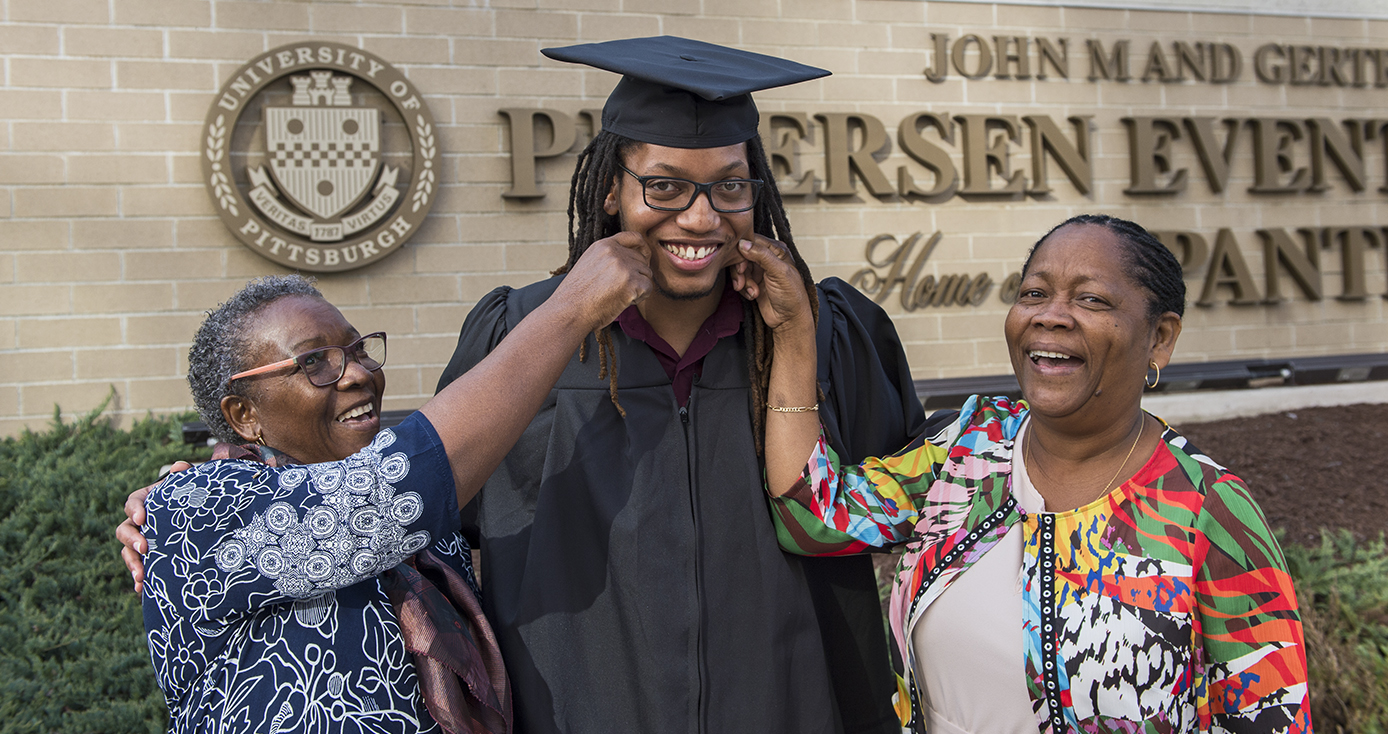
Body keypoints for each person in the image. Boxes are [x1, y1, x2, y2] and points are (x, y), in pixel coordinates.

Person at [435, 37, 922, 733]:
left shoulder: (828, 336)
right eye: (663, 186)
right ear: (612, 188)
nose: (700, 217)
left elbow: (899, 507)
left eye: (730, 185)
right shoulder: (524, 335)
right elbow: (440, 526)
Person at [749, 214, 1312, 733]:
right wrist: (795, 334)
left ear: (1159, 337)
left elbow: (1271, 716)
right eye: (1033, 293)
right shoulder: (972, 448)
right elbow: (814, 515)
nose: (1049, 314)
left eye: (1090, 299)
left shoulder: (1206, 511)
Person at [135, 233, 649, 732]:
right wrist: (574, 308)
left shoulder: (430, 535)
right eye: (314, 362)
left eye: (357, 350)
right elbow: (391, 490)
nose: (357, 374)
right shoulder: (194, 508)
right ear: (244, 414)